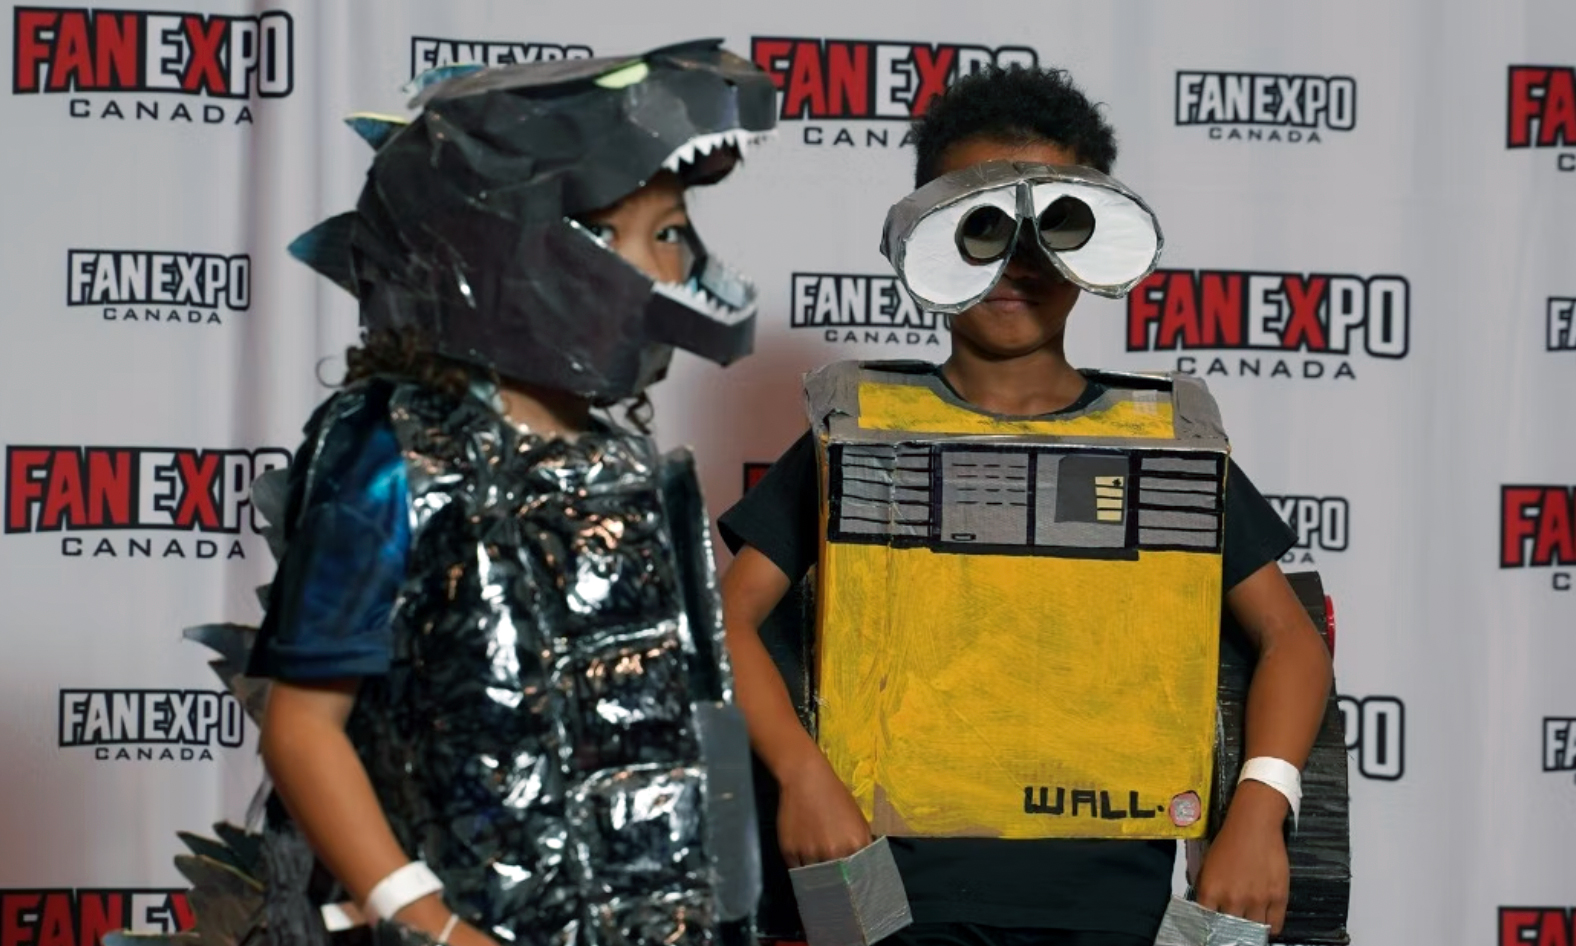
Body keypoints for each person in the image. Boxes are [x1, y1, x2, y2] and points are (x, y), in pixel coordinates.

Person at [719, 66, 1334, 946]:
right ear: (928, 232)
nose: (1019, 264)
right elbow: (726, 622)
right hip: (887, 901)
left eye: (1056, 228)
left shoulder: (1169, 445)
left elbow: (1289, 639)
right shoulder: (856, 435)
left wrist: (1261, 808)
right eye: (983, 228)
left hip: (1114, 907)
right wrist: (802, 775)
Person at [236, 42, 774, 946]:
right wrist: (431, 923)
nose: (666, 268)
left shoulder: (631, 466)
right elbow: (302, 727)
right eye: (613, 236)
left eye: (672, 232)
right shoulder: (386, 446)